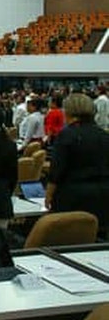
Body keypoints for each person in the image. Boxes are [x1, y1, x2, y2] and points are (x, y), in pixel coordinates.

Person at [46, 94, 109, 229]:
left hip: (72, 194)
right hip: (103, 193)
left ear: (68, 110)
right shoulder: (104, 135)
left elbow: (57, 169)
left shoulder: (66, 135)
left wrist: (49, 194)